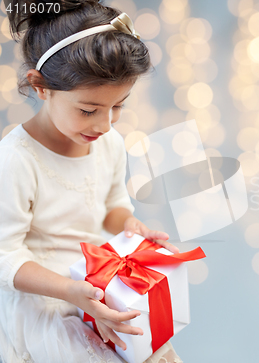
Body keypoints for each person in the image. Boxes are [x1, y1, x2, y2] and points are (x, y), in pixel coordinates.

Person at [0, 1, 183, 362]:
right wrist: (71, 291)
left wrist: (130, 227)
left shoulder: (109, 144)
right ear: (40, 87)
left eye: (118, 106)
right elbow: (5, 256)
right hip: (48, 299)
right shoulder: (16, 161)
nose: (105, 125)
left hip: (99, 286)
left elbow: (111, 209)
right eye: (88, 110)